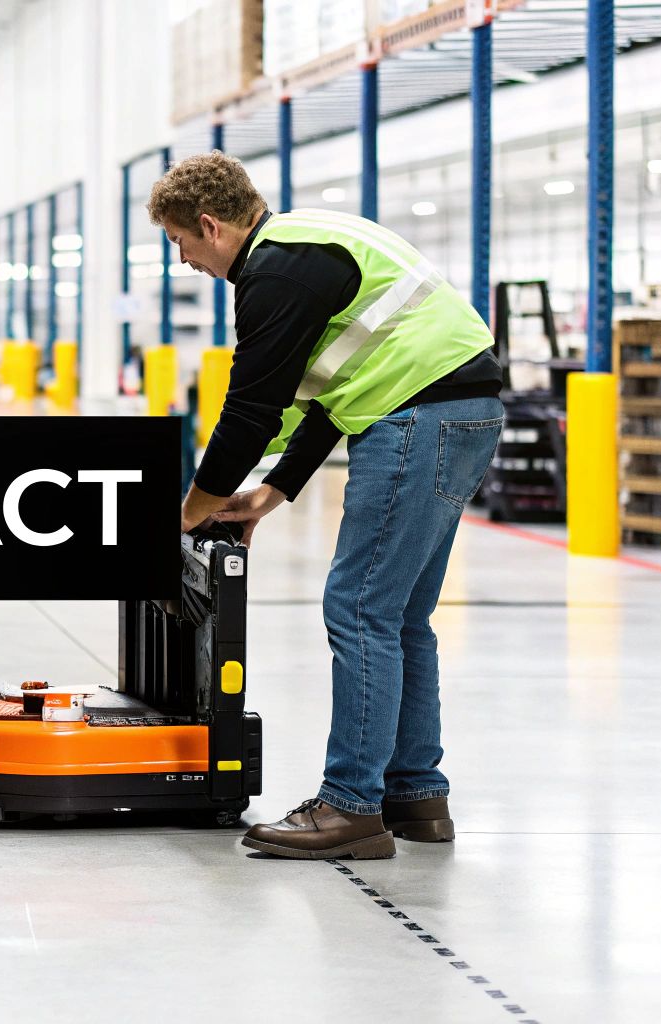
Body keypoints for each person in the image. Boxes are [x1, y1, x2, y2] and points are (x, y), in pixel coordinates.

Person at [149, 153, 504, 861]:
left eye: (180, 243)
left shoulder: (274, 273)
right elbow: (339, 389)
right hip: (460, 409)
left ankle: (351, 809)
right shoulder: (307, 243)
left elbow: (249, 412)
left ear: (211, 226)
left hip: (416, 416)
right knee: (401, 616)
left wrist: (183, 517)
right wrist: (273, 492)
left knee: (360, 608)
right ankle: (415, 794)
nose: (184, 260)